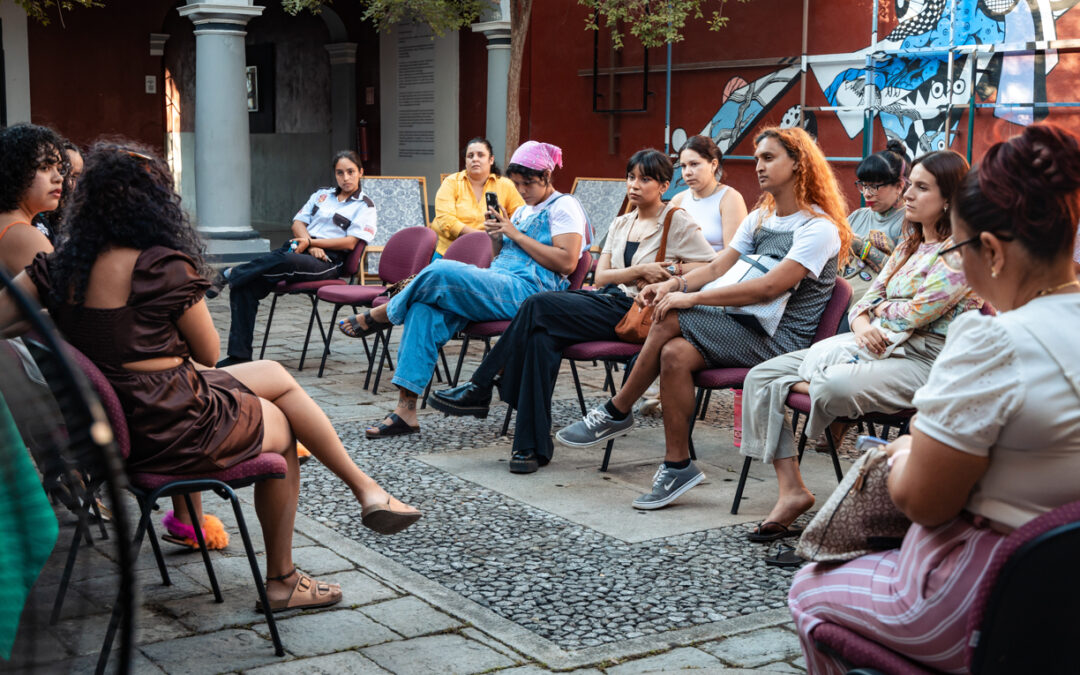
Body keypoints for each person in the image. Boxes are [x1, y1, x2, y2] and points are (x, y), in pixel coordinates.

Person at [0, 143, 420, 612]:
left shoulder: (60, 267)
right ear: (155, 205)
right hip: (170, 424)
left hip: (115, 422)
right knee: (282, 430)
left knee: (276, 374)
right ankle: (284, 578)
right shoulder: (162, 266)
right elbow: (208, 352)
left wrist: (58, 316)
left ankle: (367, 489)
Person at [788, 122, 1080, 674]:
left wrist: (899, 455)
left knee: (808, 589)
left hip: (992, 597)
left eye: (960, 247)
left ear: (990, 251)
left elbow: (925, 502)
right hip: (1064, 596)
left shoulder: (993, 341)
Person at [556, 126, 852, 510]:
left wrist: (687, 297)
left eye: (769, 158)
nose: (758, 166)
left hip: (781, 341)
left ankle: (617, 409)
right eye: (757, 157)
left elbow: (767, 289)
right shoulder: (761, 218)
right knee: (674, 354)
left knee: (669, 319)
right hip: (745, 326)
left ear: (798, 164)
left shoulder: (819, 228)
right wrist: (672, 284)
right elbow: (716, 268)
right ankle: (677, 465)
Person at [739, 149, 980, 542]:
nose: (909, 196)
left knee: (832, 386)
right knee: (761, 375)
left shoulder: (961, 252)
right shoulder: (908, 245)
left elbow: (915, 314)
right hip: (866, 342)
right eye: (910, 186)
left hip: (924, 359)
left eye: (921, 188)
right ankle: (792, 491)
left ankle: (812, 385)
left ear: (950, 197)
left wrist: (875, 314)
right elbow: (866, 301)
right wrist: (865, 319)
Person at [429, 149, 716, 472]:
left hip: (640, 311)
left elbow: (712, 265)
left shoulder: (675, 220)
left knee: (537, 304)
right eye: (630, 177)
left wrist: (673, 273)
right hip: (609, 299)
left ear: (664, 185)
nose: (634, 185)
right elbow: (602, 275)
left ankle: (482, 384)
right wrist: (640, 270)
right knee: (540, 337)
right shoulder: (622, 222)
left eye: (645, 179)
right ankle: (529, 448)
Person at [338, 141, 587, 438]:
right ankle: (406, 411)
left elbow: (569, 262)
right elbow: (500, 259)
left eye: (528, 183)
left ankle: (383, 314)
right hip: (500, 282)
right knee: (423, 308)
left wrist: (515, 234)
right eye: (517, 184)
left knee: (441, 270)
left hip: (531, 293)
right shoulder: (522, 212)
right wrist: (497, 236)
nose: (522, 191)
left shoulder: (564, 206)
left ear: (547, 175)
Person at [212, 150, 376, 367]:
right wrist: (307, 242)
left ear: (360, 172)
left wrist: (312, 244)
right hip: (303, 248)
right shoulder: (321, 195)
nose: (345, 178)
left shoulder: (365, 206)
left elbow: (350, 243)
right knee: (245, 286)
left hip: (329, 261)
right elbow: (298, 223)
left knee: (285, 260)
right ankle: (239, 356)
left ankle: (230, 273)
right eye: (340, 173)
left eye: (350, 172)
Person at [840, 141, 909, 319]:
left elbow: (904, 276)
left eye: (875, 186)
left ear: (899, 186)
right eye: (863, 185)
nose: (867, 193)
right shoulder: (857, 216)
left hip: (872, 311)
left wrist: (862, 247)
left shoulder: (909, 223)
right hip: (839, 299)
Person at [432, 137, 525, 258]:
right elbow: (446, 221)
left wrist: (503, 233)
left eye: (480, 155)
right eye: (470, 156)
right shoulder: (451, 182)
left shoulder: (505, 185)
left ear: (491, 160)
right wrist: (482, 238)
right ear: (465, 161)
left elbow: (521, 217)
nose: (475, 159)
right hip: (450, 250)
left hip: (492, 253)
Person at [0, 124, 65, 274]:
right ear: (15, 172)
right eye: (44, 167)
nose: (59, 178)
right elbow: (63, 296)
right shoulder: (22, 235)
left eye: (60, 169)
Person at [669, 135, 748, 251]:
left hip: (718, 267)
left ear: (714, 164)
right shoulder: (678, 200)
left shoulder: (730, 198)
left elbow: (733, 255)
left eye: (694, 164)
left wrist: (684, 268)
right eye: (683, 166)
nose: (687, 172)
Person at [33, 141, 84, 244]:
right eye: (63, 171)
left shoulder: (81, 218)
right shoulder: (32, 218)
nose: (68, 183)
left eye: (75, 177)